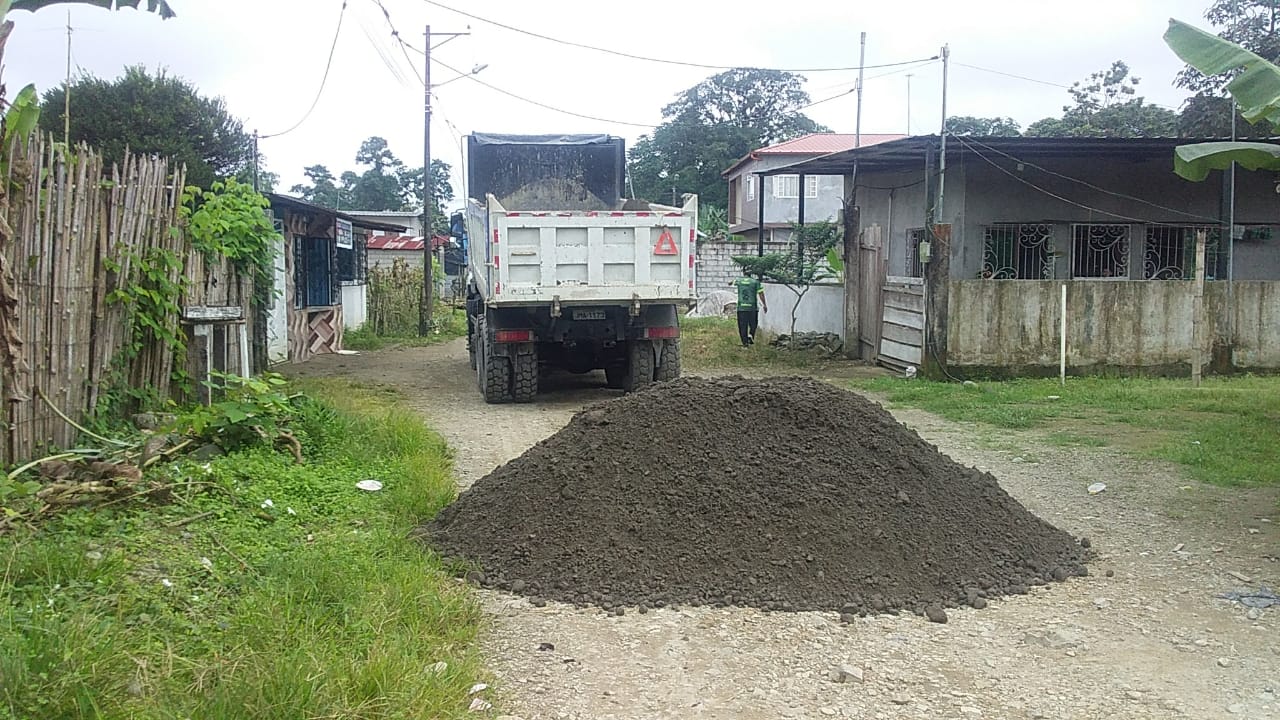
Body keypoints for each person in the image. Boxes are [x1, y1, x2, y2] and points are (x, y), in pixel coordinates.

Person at [731, 273, 767, 347]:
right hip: (752, 308)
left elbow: (730, 283)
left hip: (741, 308)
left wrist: (732, 282)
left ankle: (745, 343)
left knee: (742, 326)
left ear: (744, 273)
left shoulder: (739, 281)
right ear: (751, 274)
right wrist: (764, 304)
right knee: (753, 324)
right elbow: (761, 293)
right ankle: (750, 335)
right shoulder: (755, 282)